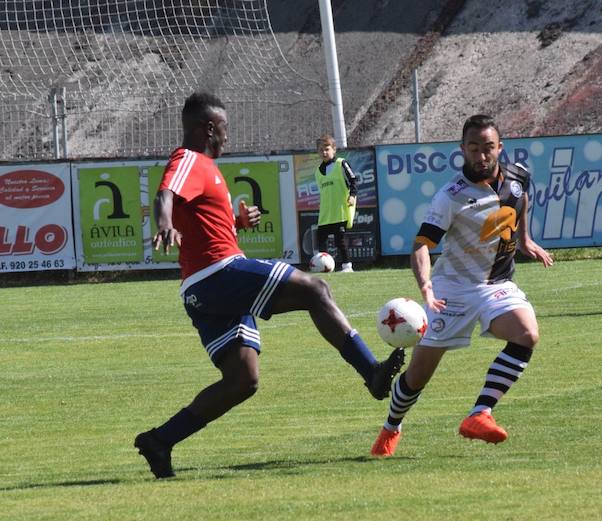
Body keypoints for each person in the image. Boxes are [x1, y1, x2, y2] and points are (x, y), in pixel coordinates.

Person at [135, 92, 405, 478]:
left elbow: (205, 225)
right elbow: (166, 192)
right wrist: (163, 221)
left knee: (243, 380)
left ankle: (160, 440)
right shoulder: (189, 159)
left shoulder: (207, 168)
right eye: (224, 128)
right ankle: (372, 374)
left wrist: (238, 223)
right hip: (217, 274)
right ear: (209, 128)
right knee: (317, 290)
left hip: (201, 288)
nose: (228, 136)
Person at [370, 114, 553, 457]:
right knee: (418, 376)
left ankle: (479, 414)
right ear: (462, 150)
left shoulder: (517, 177)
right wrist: (426, 286)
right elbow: (422, 244)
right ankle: (391, 427)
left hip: (495, 283)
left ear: (500, 147)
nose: (481, 156)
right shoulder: (450, 196)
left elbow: (521, 199)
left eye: (488, 148)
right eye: (473, 148)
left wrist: (526, 239)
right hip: (450, 289)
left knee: (527, 333)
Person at [314, 134, 358, 272]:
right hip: (326, 213)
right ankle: (323, 267)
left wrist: (352, 195)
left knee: (340, 240)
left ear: (334, 149)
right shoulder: (318, 171)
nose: (324, 152)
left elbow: (353, 180)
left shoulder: (341, 163)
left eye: (327, 149)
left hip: (340, 211)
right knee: (320, 239)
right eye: (321, 150)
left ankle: (347, 266)